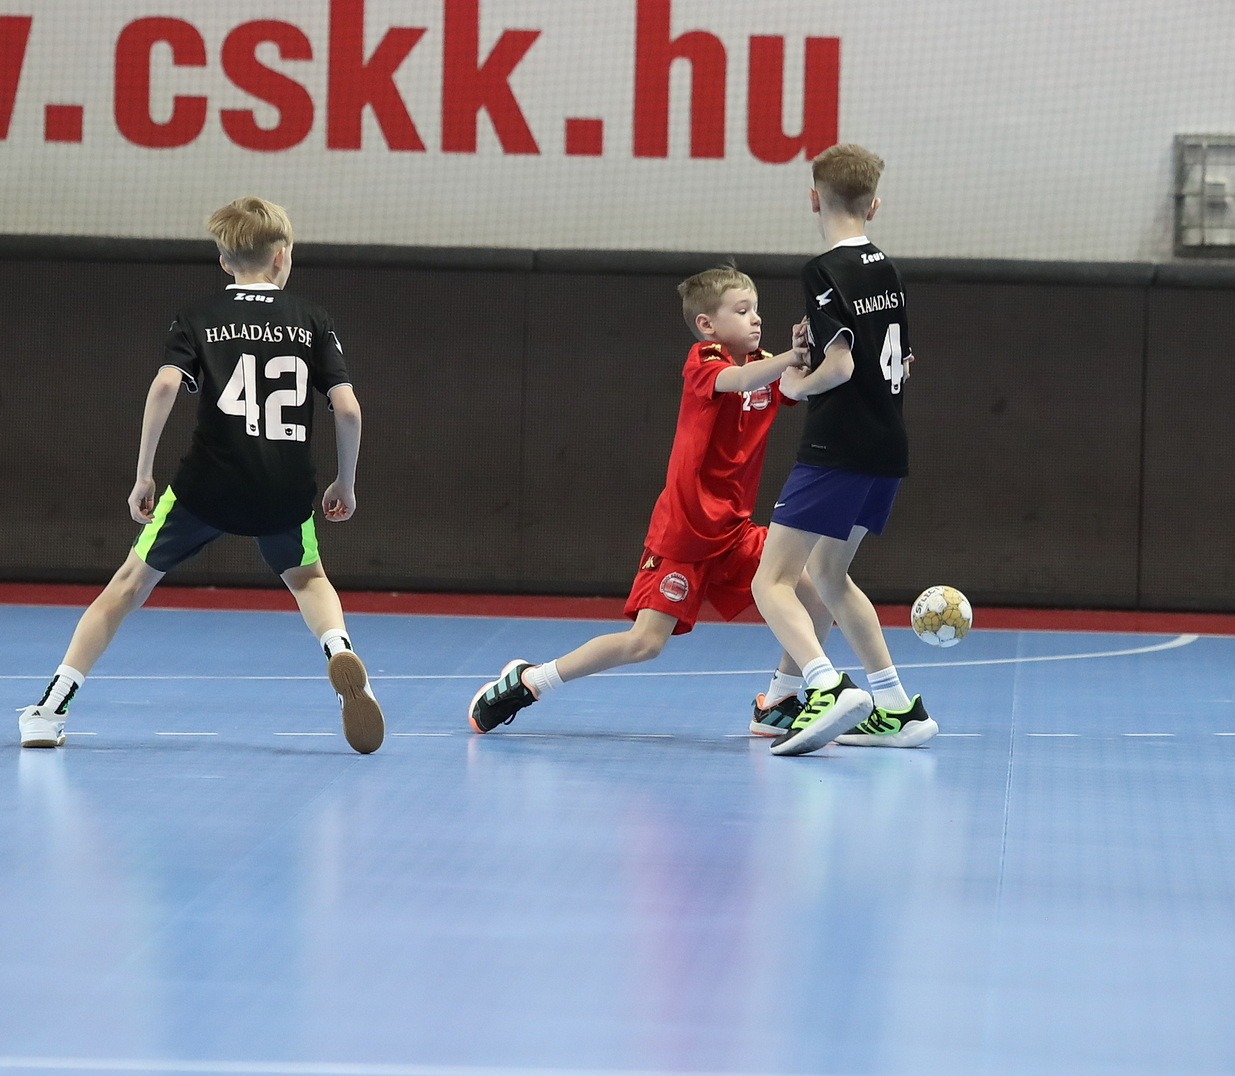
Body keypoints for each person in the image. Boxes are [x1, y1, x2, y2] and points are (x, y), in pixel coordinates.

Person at [16, 197, 384, 754]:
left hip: (206, 485)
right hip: (283, 487)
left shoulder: (198, 316)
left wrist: (143, 474)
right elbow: (349, 409)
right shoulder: (312, 319)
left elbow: (166, 385)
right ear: (282, 256)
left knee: (126, 587)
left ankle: (50, 710)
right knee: (310, 580)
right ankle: (342, 657)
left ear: (224, 261)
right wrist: (345, 482)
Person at [467, 267, 832, 733]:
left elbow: (800, 385)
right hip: (685, 533)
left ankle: (780, 700)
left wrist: (822, 357)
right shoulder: (705, 361)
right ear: (707, 324)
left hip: (735, 530)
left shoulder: (766, 365)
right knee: (645, 643)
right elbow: (741, 380)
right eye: (743, 311)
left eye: (756, 309)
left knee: (815, 592)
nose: (756, 319)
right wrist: (790, 358)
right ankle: (530, 681)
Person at [750, 143, 939, 757]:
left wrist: (793, 386)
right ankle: (897, 707)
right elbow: (901, 362)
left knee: (770, 581)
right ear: (875, 206)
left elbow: (839, 366)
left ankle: (824, 686)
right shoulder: (889, 269)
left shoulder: (823, 271)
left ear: (814, 198)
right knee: (829, 574)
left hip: (838, 444)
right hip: (887, 444)